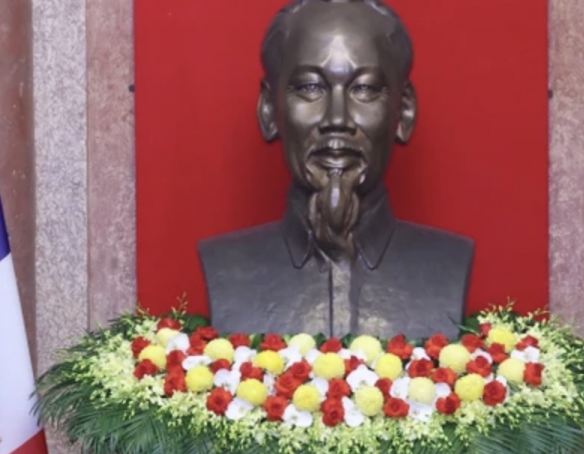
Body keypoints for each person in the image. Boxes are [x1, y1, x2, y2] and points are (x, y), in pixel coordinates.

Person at [198, 0, 473, 339]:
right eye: (310, 87)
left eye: (364, 88)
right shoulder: (226, 266)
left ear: (403, 112)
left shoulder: (449, 262)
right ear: (269, 110)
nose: (337, 119)